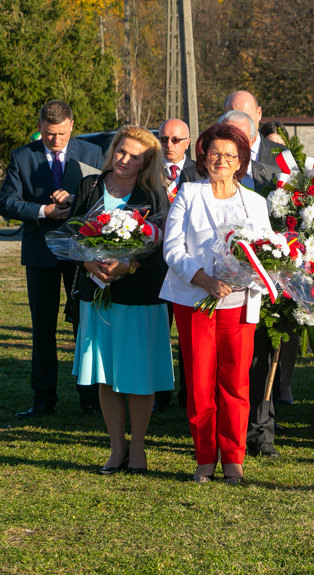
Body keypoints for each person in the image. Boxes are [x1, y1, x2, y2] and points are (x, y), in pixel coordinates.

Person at [160, 123, 272, 484]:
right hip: (194, 301)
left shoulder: (255, 202)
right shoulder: (188, 194)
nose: (221, 160)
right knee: (200, 384)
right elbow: (172, 248)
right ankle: (205, 458)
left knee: (237, 384)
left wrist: (248, 275)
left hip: (239, 305)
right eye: (215, 154)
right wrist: (203, 279)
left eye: (230, 155)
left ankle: (233, 458)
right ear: (204, 158)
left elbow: (267, 252)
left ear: (241, 162)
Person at [66, 126, 173, 474]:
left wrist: (129, 264)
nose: (124, 159)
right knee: (105, 373)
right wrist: (87, 260)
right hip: (96, 294)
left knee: (138, 376)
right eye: (120, 151)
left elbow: (161, 246)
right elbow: (70, 234)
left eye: (134, 156)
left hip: (138, 296)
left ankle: (138, 447)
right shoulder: (90, 186)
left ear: (147, 162)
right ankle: (116, 447)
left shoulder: (155, 194)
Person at [0, 100, 104, 418]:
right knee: (42, 327)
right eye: (48, 134)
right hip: (40, 253)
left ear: (71, 124)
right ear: (40, 128)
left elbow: (103, 199)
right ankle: (43, 399)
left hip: (80, 254)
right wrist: (43, 211)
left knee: (84, 326)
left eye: (60, 133)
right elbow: (6, 202)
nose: (55, 140)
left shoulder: (92, 154)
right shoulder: (22, 156)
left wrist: (75, 201)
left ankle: (90, 398)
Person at [218, 108, 293, 458]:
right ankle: (222, 430)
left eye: (237, 138)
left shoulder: (271, 178)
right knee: (224, 362)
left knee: (263, 359)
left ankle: (262, 433)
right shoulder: (199, 178)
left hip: (261, 286)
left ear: (250, 141)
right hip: (216, 287)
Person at [154, 118, 198, 412]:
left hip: (187, 266)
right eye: (164, 139)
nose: (168, 145)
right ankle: (159, 395)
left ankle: (188, 394)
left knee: (188, 337)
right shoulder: (147, 171)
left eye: (175, 139)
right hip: (154, 265)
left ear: (187, 142)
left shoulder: (199, 173)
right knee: (158, 333)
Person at [224, 90, 280, 167]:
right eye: (233, 116)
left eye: (246, 116)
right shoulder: (210, 157)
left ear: (259, 114)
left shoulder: (282, 156)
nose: (239, 123)